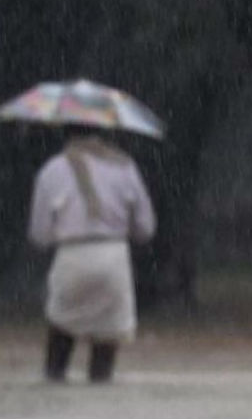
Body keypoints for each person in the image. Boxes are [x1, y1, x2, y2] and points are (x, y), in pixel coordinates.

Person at [28, 128, 156, 383]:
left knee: (62, 318)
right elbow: (146, 226)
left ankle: (55, 372)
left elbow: (39, 233)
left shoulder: (52, 169)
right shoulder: (124, 167)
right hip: (113, 253)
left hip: (72, 253)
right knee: (108, 326)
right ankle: (100, 375)